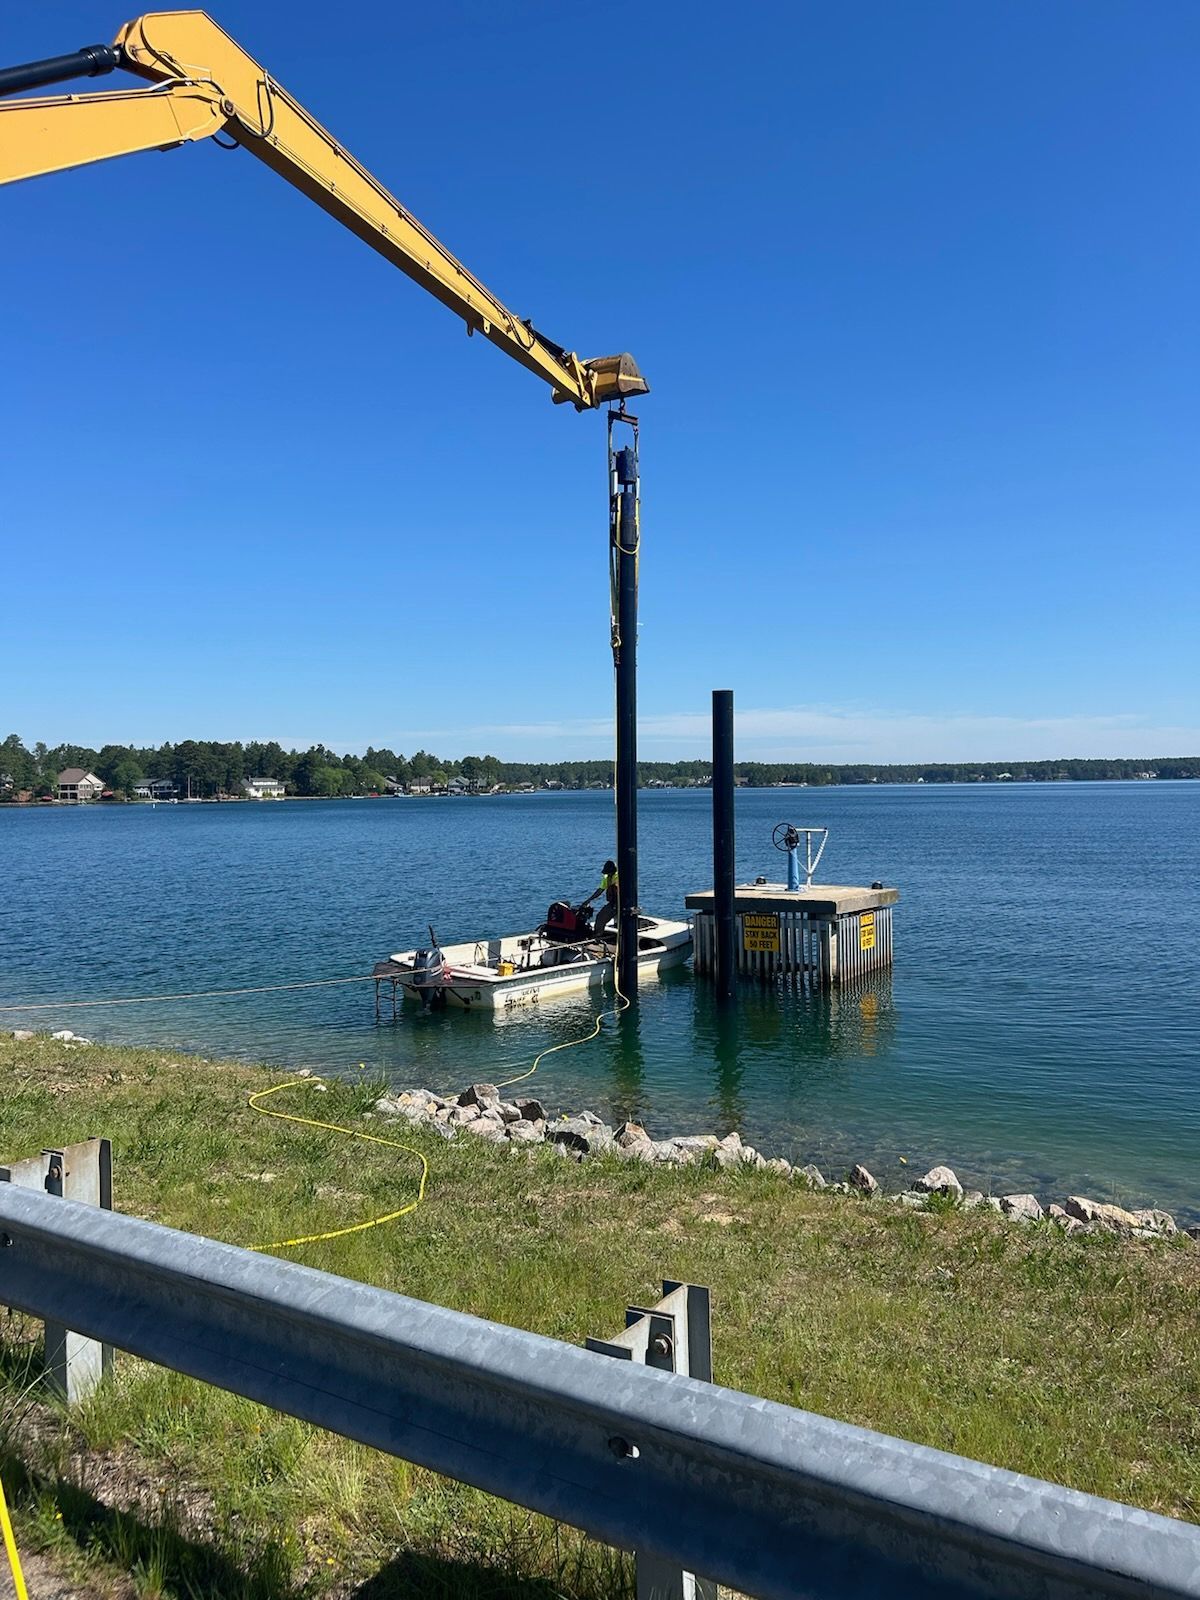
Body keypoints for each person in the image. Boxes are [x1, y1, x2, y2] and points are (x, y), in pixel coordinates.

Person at [584, 859, 618, 940]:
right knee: (600, 917)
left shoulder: (619, 876)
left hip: (620, 904)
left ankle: (597, 937)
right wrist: (589, 900)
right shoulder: (606, 878)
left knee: (601, 918)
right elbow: (600, 890)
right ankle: (598, 935)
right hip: (613, 903)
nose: (608, 874)